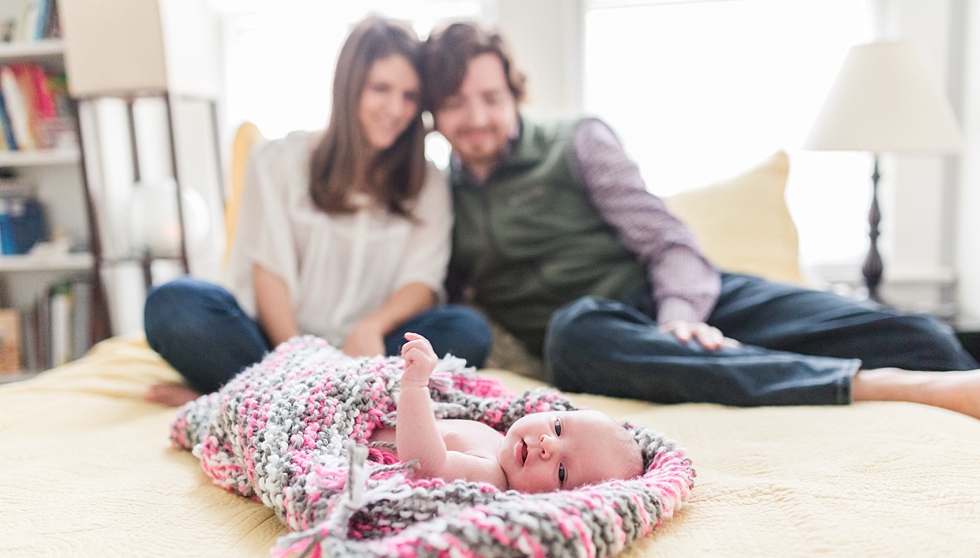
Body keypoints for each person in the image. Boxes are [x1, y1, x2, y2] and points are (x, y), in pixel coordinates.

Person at [421, 21, 980, 421]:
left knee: (920, 335)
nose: (475, 119)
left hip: (675, 301)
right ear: (434, 115)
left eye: (490, 98)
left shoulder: (576, 141)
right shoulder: (438, 198)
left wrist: (680, 318)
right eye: (455, 104)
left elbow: (670, 244)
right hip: (602, 337)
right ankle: (862, 385)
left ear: (514, 94)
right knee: (571, 335)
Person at [143, 17, 492, 407]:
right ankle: (314, 401)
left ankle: (243, 401)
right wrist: (298, 362)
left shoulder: (427, 181)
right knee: (172, 305)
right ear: (349, 86)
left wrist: (371, 326)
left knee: (469, 331)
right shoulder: (275, 161)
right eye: (381, 88)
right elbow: (269, 272)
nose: (396, 108)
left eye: (410, 96)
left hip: (368, 353)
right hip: (274, 347)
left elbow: (422, 281)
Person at [366, 333, 643, 493]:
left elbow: (425, 467)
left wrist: (415, 386)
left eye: (561, 472)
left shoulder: (491, 475)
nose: (548, 445)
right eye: (558, 428)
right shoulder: (498, 439)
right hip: (371, 408)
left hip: (359, 438)